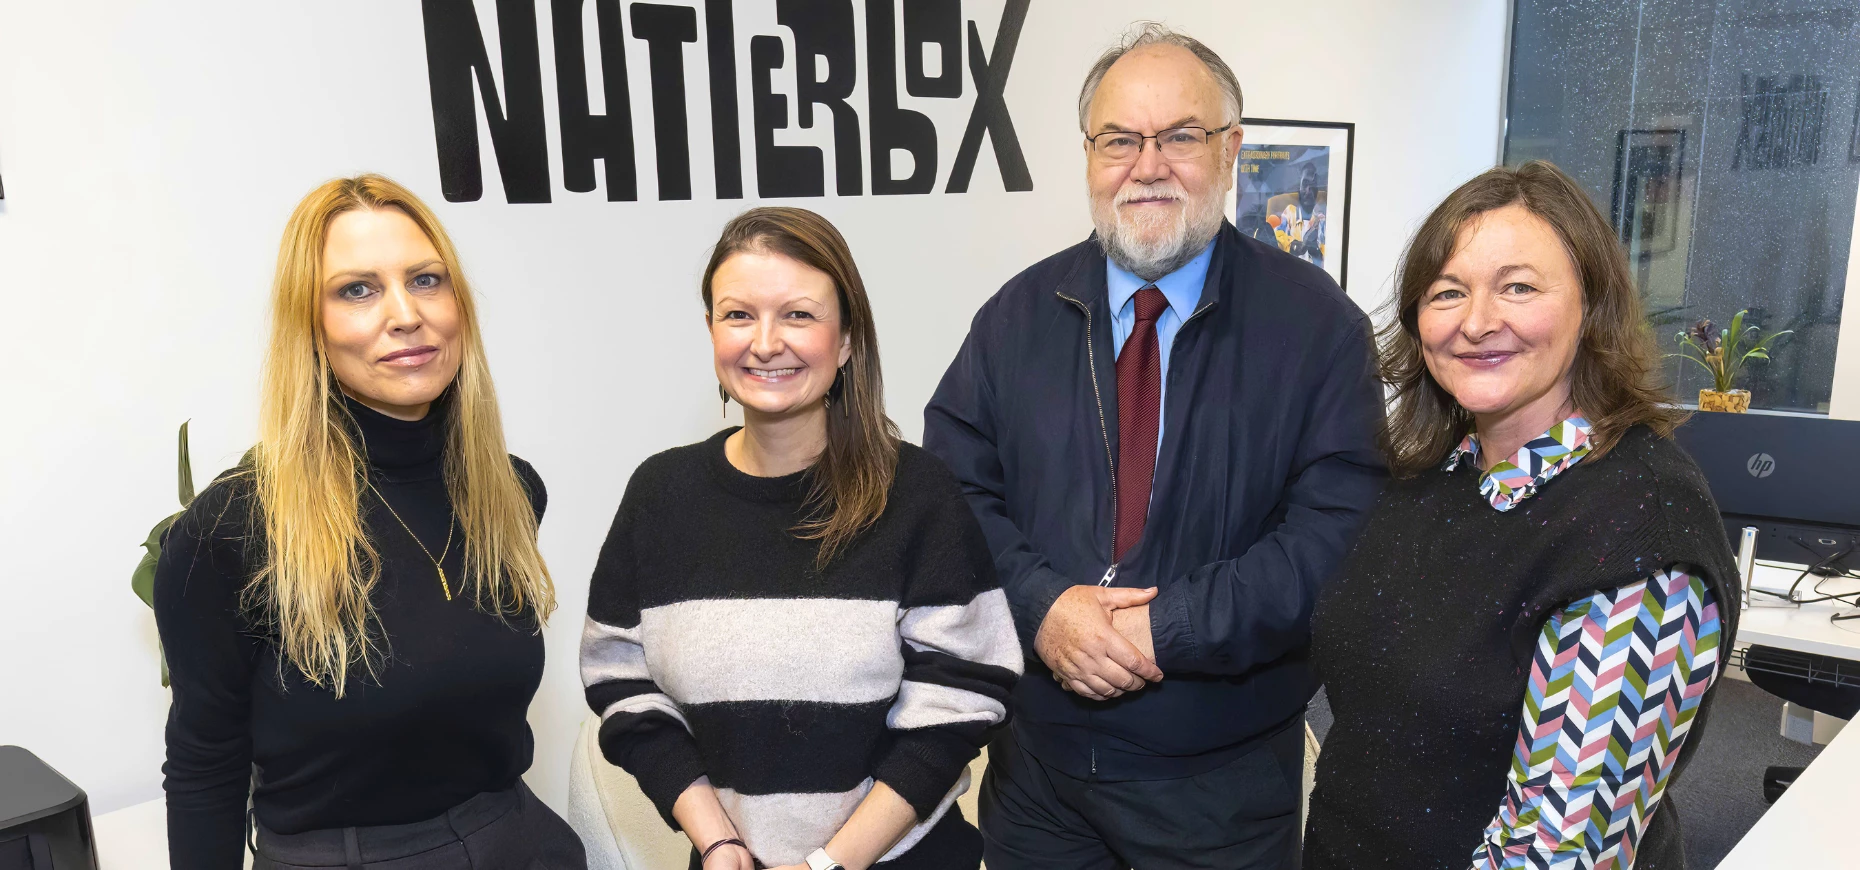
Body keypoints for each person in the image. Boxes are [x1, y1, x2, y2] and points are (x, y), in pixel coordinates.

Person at [923, 23, 1386, 870]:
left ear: (1231, 149)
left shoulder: (1317, 327)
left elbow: (1335, 540)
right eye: (1119, 140)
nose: (1147, 165)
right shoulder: (1013, 320)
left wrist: (1165, 631)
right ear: (1090, 154)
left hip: (1223, 788)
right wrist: (1044, 605)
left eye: (1180, 136)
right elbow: (951, 496)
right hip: (1039, 781)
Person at [1304, 161, 1741, 870]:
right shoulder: (1432, 476)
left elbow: (1558, 851)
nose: (1476, 323)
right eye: (1448, 292)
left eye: (1518, 287)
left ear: (1590, 306)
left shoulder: (1639, 527)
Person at [154, 175, 584, 869]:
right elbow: (206, 765)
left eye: (426, 280)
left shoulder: (507, 490)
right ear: (311, 327)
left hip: (520, 842)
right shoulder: (232, 530)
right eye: (357, 289)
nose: (405, 314)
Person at [580, 207, 1021, 870]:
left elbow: (963, 696)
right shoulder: (659, 497)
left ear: (845, 341)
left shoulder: (918, 495)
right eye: (737, 315)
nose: (764, 342)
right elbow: (621, 683)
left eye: (798, 315)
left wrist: (829, 864)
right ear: (709, 330)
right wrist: (718, 840)